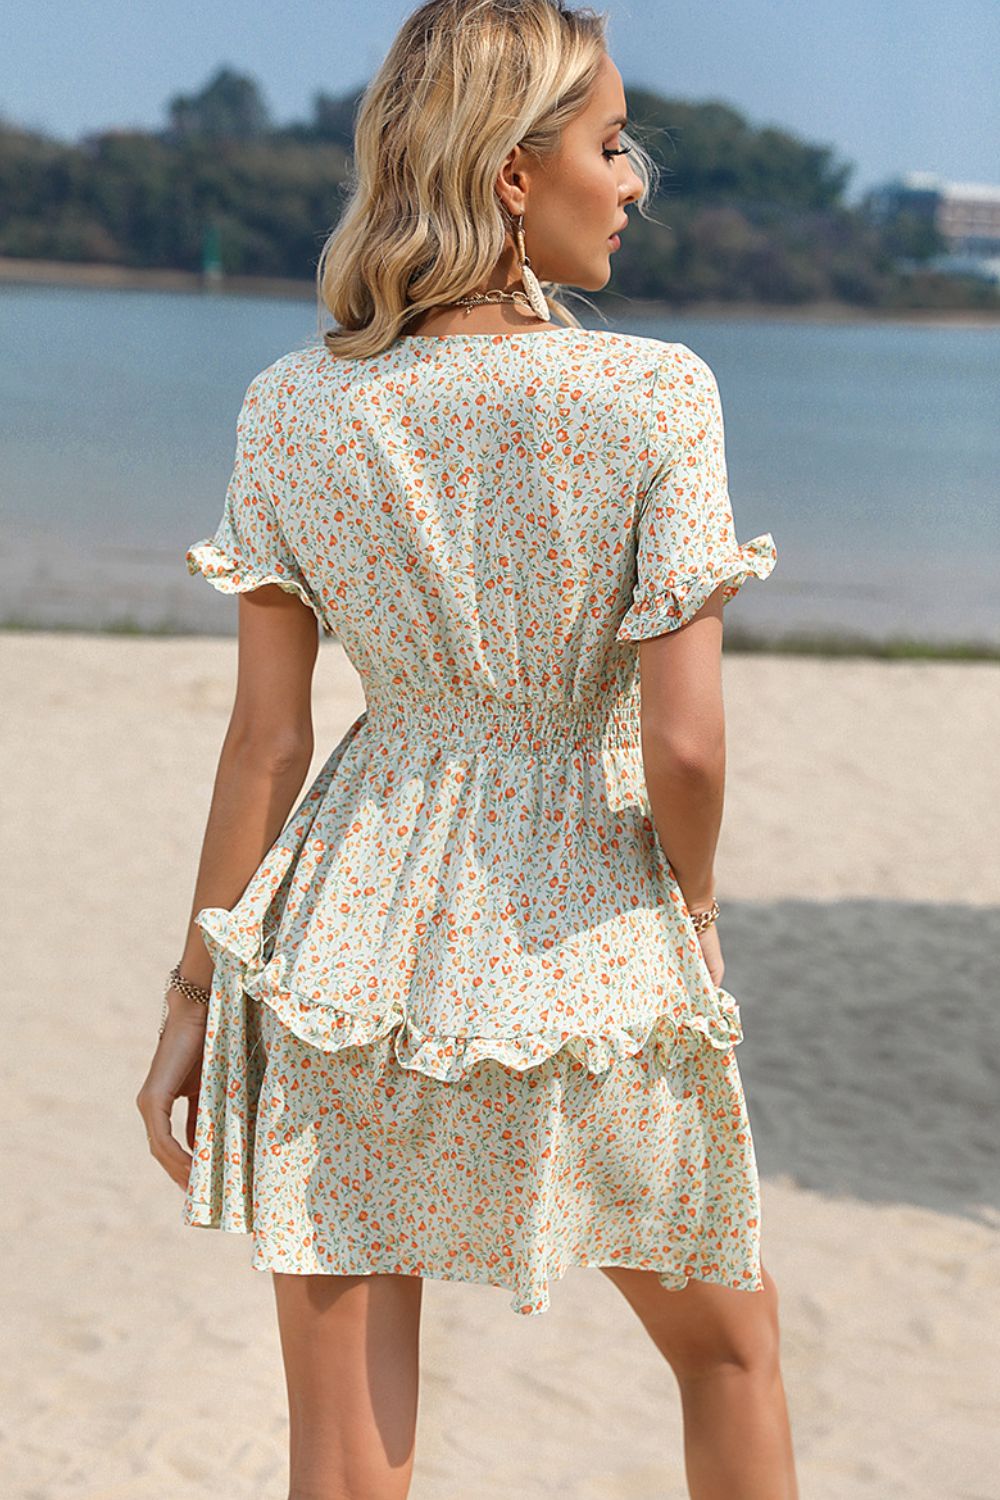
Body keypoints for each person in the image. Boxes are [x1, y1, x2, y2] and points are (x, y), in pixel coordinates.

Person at [136, 2, 799, 1495]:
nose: (633, 181)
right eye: (611, 145)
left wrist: (193, 996)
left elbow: (266, 745)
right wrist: (692, 906)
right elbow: (687, 749)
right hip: (587, 930)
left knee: (346, 1460)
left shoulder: (294, 407)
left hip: (347, 947)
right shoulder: (655, 395)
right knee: (730, 1351)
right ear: (513, 172)